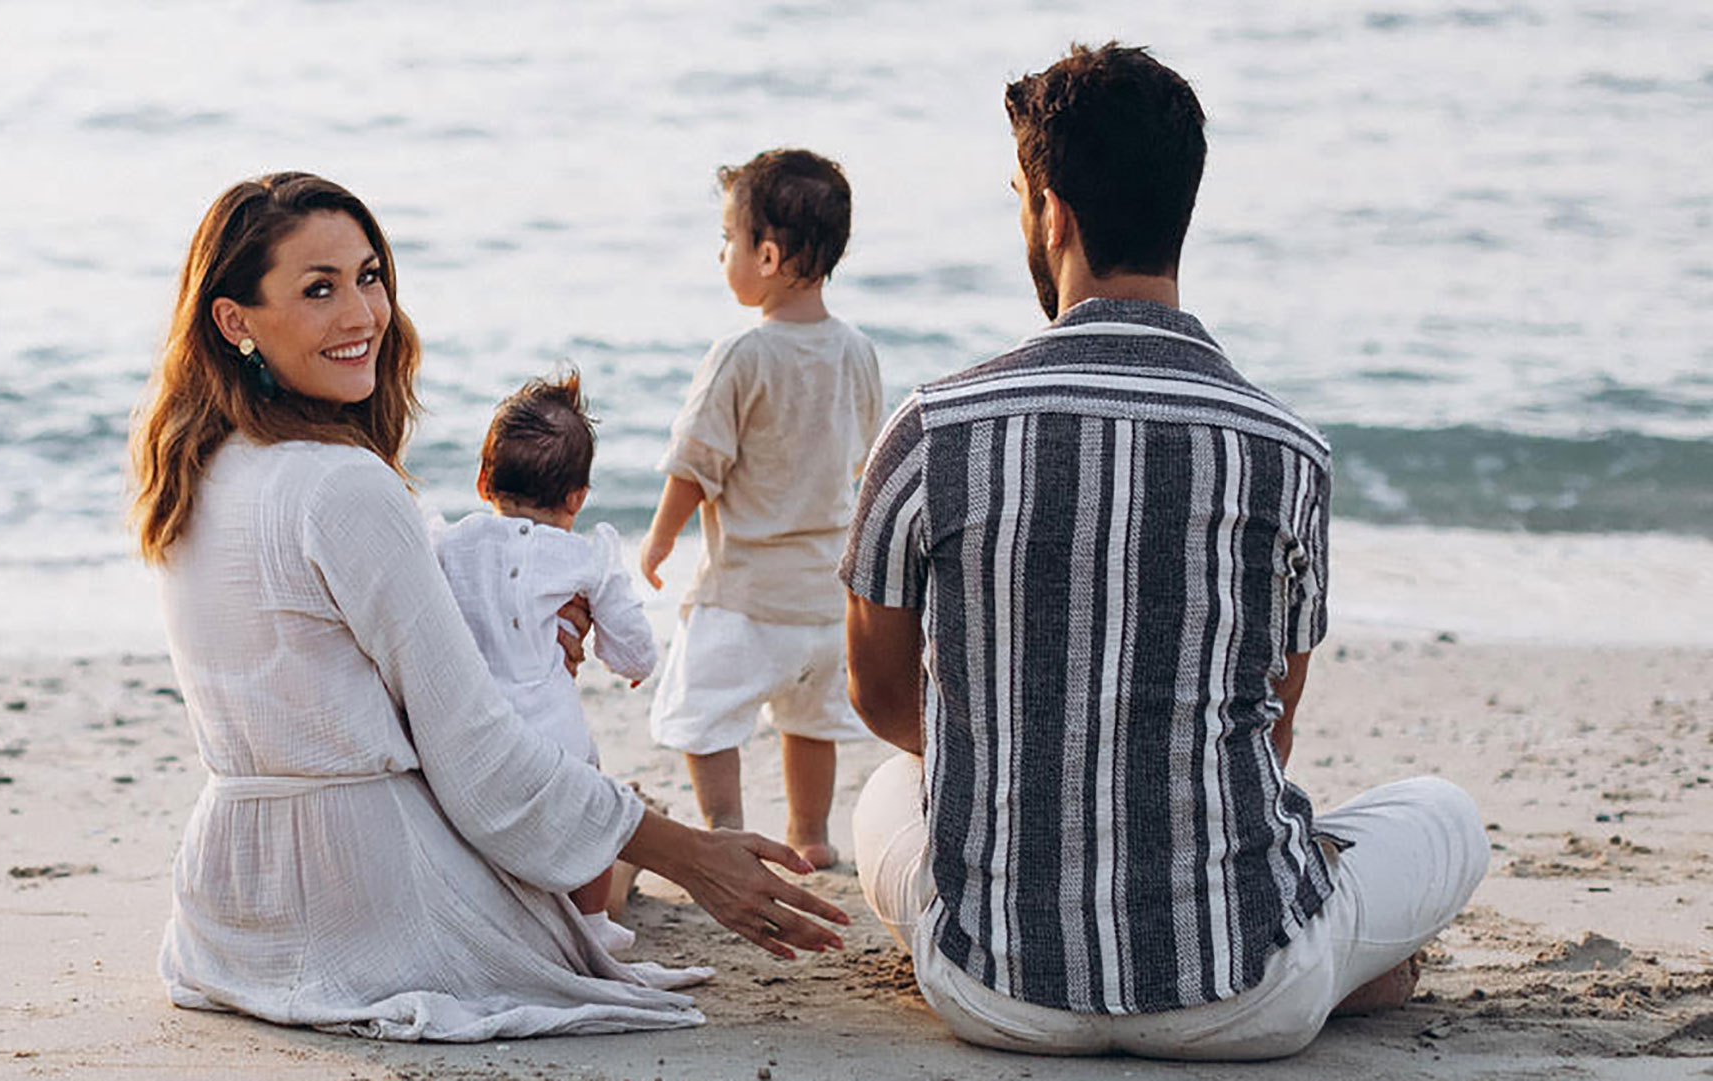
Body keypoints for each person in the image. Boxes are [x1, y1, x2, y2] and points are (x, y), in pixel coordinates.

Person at [841, 44, 1488, 1060]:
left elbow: (881, 698)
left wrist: (1031, 758)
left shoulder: (932, 431)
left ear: (1052, 213)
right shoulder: (1285, 449)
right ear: (1181, 204)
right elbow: (1273, 727)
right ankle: (1337, 953)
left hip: (994, 988)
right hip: (1245, 995)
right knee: (1447, 817)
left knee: (886, 792)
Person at [130, 171, 846, 1043]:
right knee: (589, 868)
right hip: (368, 893)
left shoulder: (192, 471)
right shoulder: (343, 484)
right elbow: (478, 762)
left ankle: (612, 836)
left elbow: (318, 682)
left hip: (231, 903)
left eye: (369, 277)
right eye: (318, 289)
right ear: (234, 319)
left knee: (586, 836)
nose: (362, 314)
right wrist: (689, 852)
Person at [640, 148, 884, 869]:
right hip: (824, 600)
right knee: (810, 721)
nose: (722, 254)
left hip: (744, 595)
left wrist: (658, 540)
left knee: (705, 713)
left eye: (728, 240)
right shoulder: (857, 351)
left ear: (768, 256)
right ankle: (811, 834)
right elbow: (866, 461)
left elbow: (696, 463)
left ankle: (726, 829)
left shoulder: (741, 354)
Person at [437, 369, 655, 949]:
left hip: (471, 734)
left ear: (483, 481)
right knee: (593, 807)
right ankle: (592, 922)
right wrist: (633, 666)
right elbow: (633, 645)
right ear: (577, 497)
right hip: (554, 739)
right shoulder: (585, 557)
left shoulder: (449, 544)